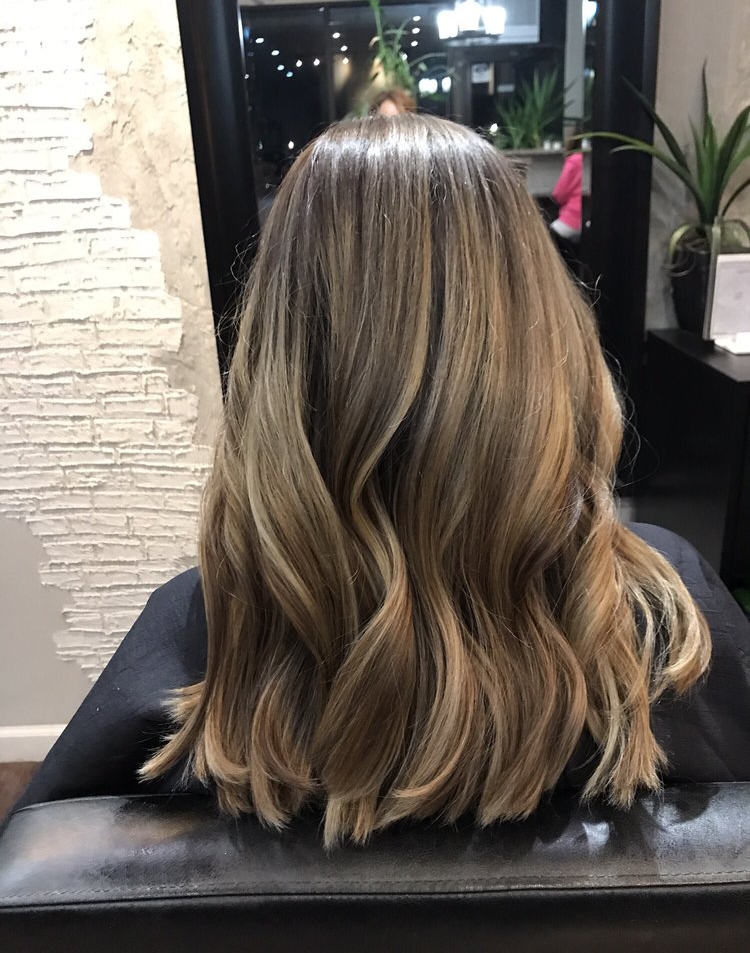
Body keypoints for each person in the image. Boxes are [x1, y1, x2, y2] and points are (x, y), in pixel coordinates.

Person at [9, 116, 750, 849]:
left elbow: (40, 877)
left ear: (280, 358)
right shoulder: (669, 613)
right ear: (546, 337)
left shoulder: (199, 627)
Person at [550, 136, 583, 244]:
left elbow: (559, 194)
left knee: (548, 238)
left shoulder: (574, 160)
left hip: (572, 218)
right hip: (588, 220)